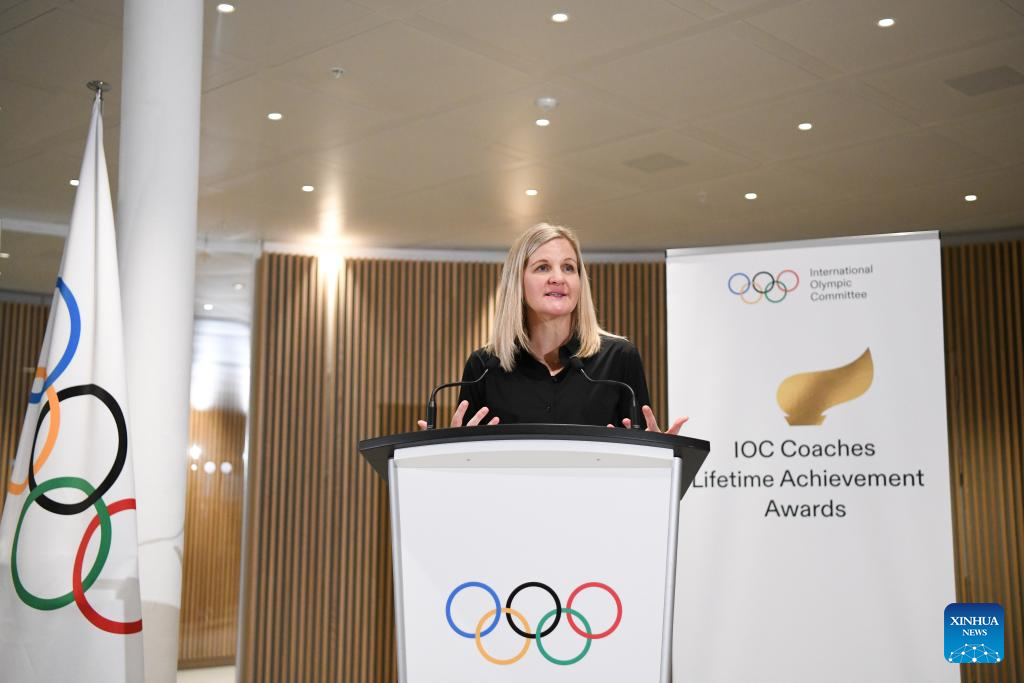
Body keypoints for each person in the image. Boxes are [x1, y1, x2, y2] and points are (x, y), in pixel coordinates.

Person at [418, 223, 687, 433]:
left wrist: (658, 453)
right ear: (518, 282)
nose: (558, 278)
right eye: (543, 267)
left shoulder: (620, 358)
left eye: (569, 268)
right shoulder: (484, 367)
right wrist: (445, 452)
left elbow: (639, 462)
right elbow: (467, 468)